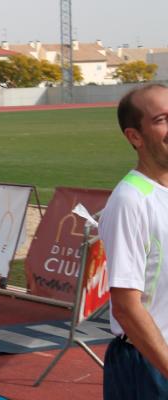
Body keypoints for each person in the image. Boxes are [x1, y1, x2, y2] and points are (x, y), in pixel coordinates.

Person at [99, 83, 168, 399]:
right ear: (135, 137)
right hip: (149, 364)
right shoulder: (130, 201)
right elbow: (126, 307)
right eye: (162, 119)